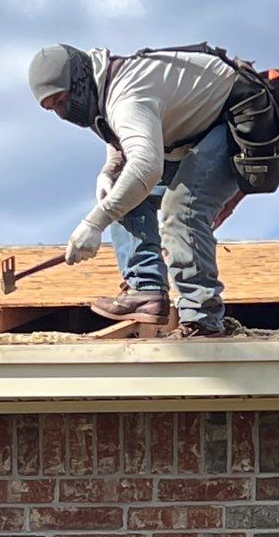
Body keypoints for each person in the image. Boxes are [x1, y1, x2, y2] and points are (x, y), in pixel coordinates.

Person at [28, 43, 245, 338]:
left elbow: (146, 165)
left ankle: (203, 318)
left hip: (236, 118)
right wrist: (109, 172)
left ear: (77, 81)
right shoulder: (100, 91)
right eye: (51, 107)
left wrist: (94, 223)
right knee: (123, 192)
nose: (62, 112)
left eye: (61, 99)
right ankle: (146, 289)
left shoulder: (125, 96)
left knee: (180, 210)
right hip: (193, 133)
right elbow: (121, 138)